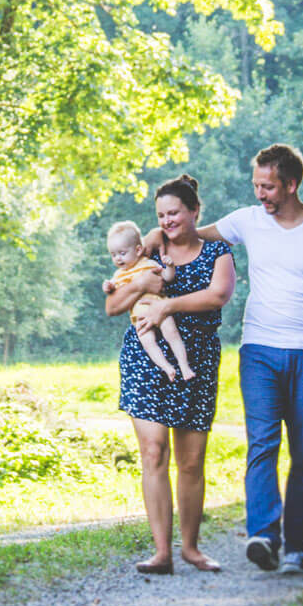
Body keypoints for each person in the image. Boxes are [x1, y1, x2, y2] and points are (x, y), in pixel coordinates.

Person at [140, 144, 303, 575]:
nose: (260, 194)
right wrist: (154, 237)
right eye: (256, 185)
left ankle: (297, 547)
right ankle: (263, 536)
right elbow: (191, 234)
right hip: (258, 350)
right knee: (262, 445)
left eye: (268, 187)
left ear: (291, 185)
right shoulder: (247, 221)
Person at [106, 175, 235, 575]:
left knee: (192, 460)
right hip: (145, 356)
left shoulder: (218, 251)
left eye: (175, 212)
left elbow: (218, 296)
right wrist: (143, 283)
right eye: (162, 214)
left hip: (195, 357)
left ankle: (191, 548)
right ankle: (161, 552)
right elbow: (113, 306)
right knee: (153, 450)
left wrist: (168, 306)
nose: (168, 220)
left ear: (195, 211)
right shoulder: (150, 250)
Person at [102, 221, 195, 384]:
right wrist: (108, 287)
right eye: (113, 254)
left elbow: (167, 277)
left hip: (159, 308)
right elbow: (113, 297)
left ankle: (184, 365)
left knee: (172, 334)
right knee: (148, 343)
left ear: (138, 250)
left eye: (122, 253)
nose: (118, 258)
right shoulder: (118, 275)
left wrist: (170, 266)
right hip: (140, 318)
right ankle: (167, 368)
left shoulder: (147, 264)